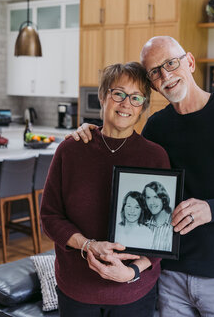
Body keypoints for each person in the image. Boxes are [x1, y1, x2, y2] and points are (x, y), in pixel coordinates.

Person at [69, 36, 214, 317]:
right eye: (155, 71)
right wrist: (92, 133)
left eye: (171, 63)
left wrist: (213, 209)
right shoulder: (157, 127)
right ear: (152, 84)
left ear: (190, 62)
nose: (166, 75)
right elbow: (125, 169)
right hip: (169, 276)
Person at [40, 61, 171, 317]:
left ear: (143, 107)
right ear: (103, 96)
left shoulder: (155, 156)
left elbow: (162, 230)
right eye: (118, 93)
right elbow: (50, 218)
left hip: (133, 289)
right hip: (77, 288)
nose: (126, 104)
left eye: (136, 98)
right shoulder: (71, 150)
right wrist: (88, 245)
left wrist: (133, 271)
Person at [143, 181, 173, 251]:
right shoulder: (144, 225)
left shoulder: (174, 223)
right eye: (148, 197)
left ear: (163, 199)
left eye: (156, 197)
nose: (152, 202)